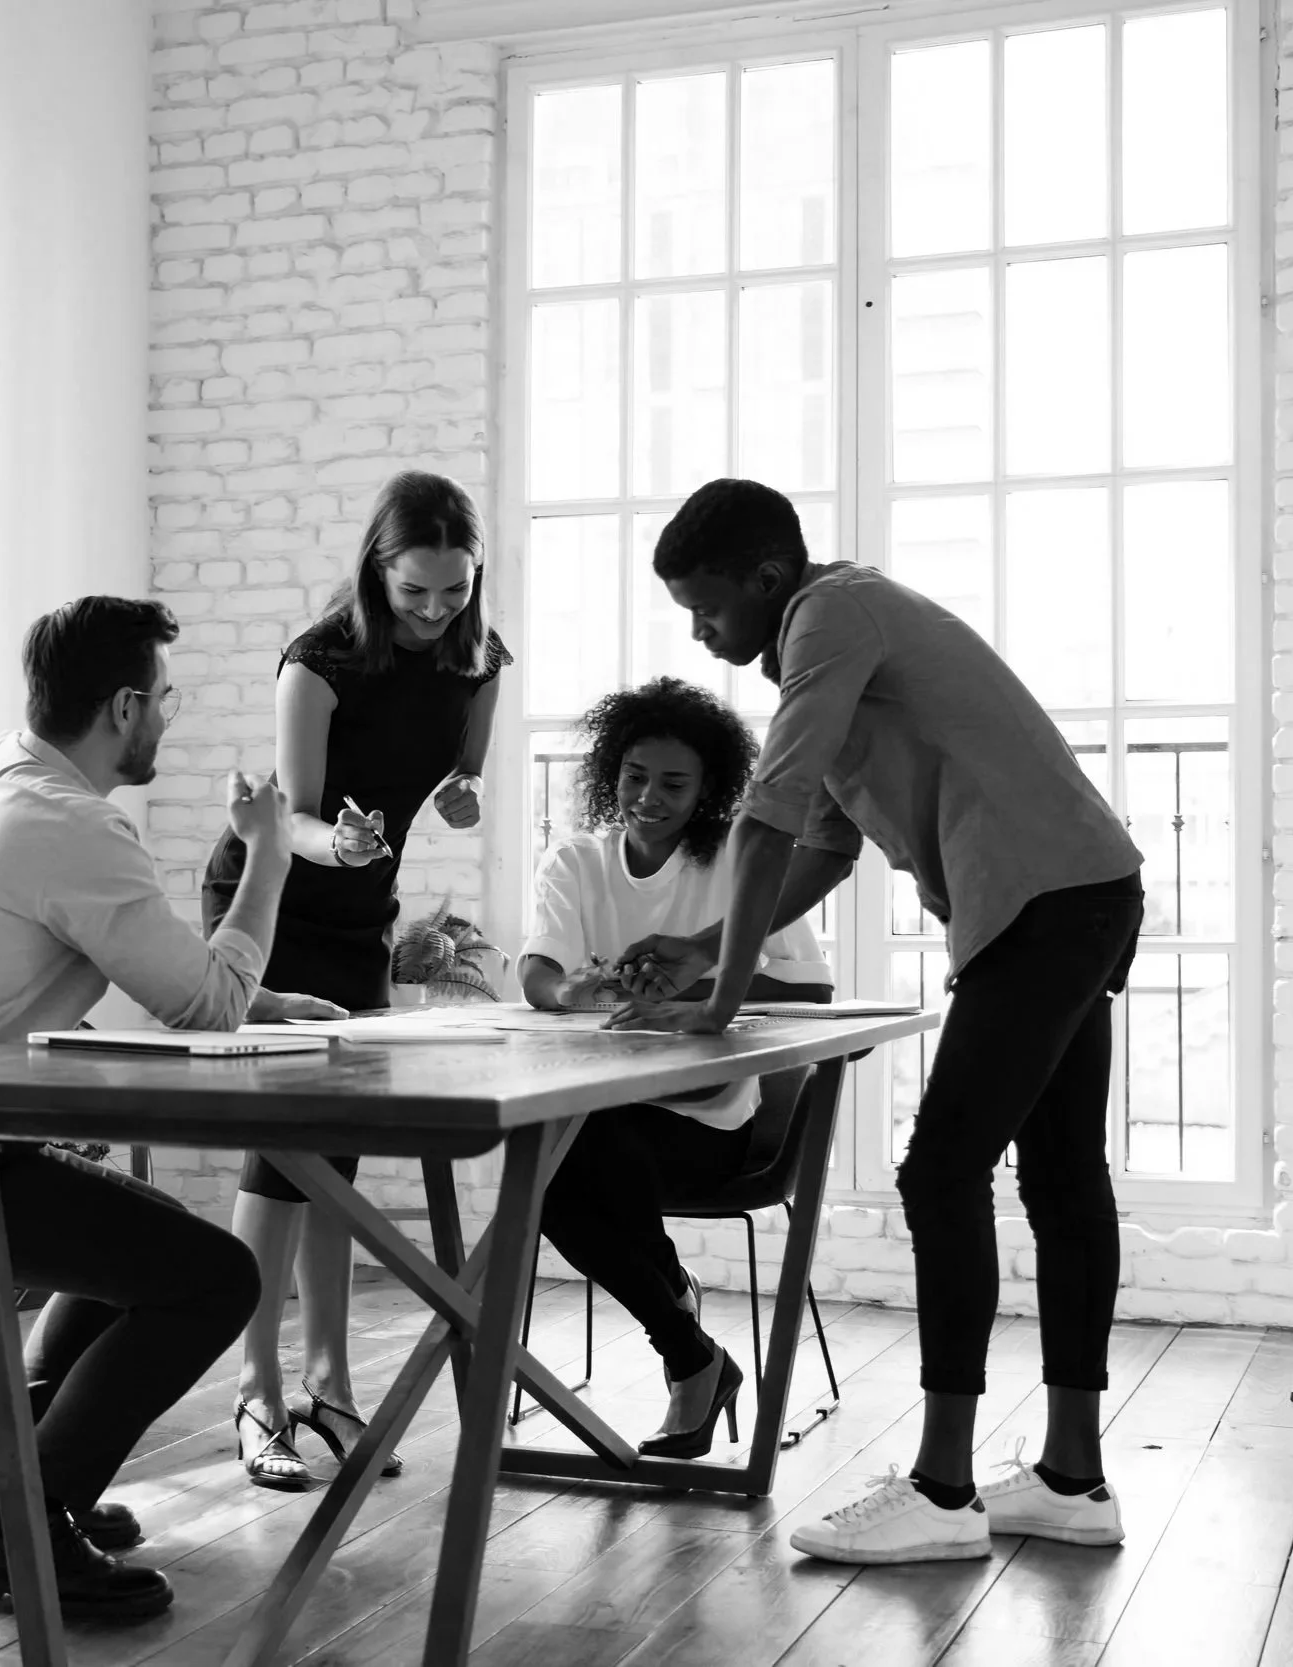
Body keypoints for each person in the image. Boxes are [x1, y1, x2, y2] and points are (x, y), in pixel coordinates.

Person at [608, 479, 1145, 1565]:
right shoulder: (834, 636)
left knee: (941, 1171)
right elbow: (823, 844)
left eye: (705, 608)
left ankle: (943, 1489)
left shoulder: (828, 616)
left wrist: (717, 1000)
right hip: (1079, 891)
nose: (701, 636)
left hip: (1041, 903)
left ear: (765, 578)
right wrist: (710, 947)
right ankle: (1072, 1478)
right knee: (1057, 1175)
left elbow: (763, 813)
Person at [0, 595, 314, 1620]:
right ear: (127, 705)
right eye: (167, 699)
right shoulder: (69, 826)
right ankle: (15, 1530)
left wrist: (259, 998)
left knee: (157, 1250)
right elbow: (202, 1000)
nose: (170, 718)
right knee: (215, 1277)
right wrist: (266, 851)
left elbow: (177, 978)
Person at [201, 470, 510, 1490]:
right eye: (414, 590)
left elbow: (458, 778)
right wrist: (334, 841)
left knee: (330, 1156)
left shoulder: (478, 659)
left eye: (453, 591)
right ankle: (255, 1395)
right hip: (270, 894)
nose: (433, 612)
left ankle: (329, 1386)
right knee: (276, 1158)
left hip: (357, 917)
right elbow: (285, 821)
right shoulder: (318, 663)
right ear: (377, 570)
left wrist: (461, 801)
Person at [520, 677, 834, 1457]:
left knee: (568, 1158)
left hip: (711, 1119)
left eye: (673, 782)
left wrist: (699, 982)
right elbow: (538, 971)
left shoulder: (740, 856)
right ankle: (692, 1354)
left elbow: (814, 987)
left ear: (710, 788)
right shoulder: (577, 859)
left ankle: (682, 1339)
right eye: (633, 776)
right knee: (553, 1158)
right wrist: (569, 988)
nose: (648, 797)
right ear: (609, 772)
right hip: (600, 1107)